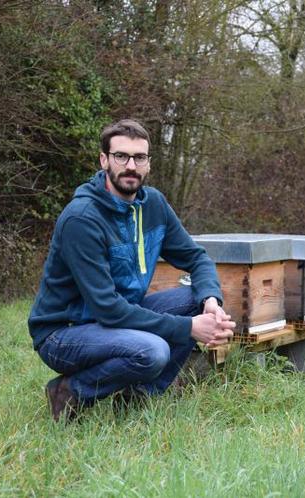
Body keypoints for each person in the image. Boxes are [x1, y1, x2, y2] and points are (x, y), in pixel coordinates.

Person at [28, 119, 235, 422]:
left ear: (148, 164)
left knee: (196, 299)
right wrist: (190, 328)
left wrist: (211, 303)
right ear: (104, 160)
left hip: (119, 318)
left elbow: (197, 258)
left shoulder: (154, 206)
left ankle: (137, 399)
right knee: (152, 351)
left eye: (139, 158)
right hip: (64, 333)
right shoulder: (82, 219)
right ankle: (70, 392)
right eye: (121, 156)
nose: (130, 166)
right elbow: (108, 309)